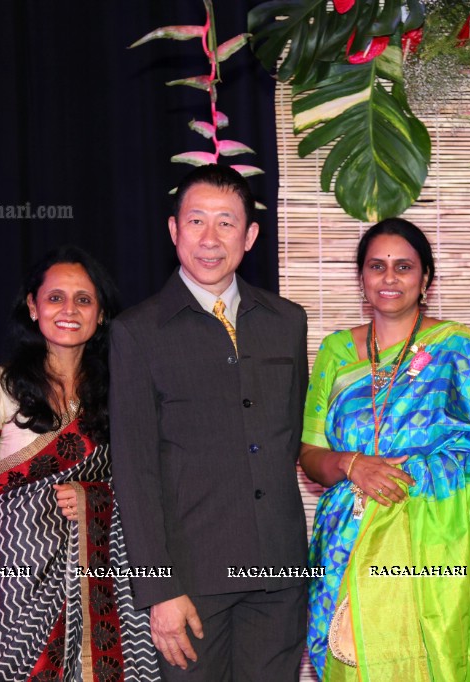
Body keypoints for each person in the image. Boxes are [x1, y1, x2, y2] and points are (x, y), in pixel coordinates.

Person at [300, 218, 470, 680]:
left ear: (425, 279)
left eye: (404, 267)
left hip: (430, 548)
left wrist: (411, 476)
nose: (389, 278)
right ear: (362, 278)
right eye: (377, 266)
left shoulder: (456, 348)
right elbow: (311, 454)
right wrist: (352, 465)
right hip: (344, 543)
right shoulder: (335, 352)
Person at [110, 165, 309, 680]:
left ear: (250, 236)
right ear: (174, 230)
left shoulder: (287, 321)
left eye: (226, 223)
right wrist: (158, 590)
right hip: (191, 581)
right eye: (196, 221)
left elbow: (285, 438)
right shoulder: (137, 332)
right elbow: (134, 474)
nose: (210, 238)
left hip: (280, 570)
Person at [0, 245, 159, 682]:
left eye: (84, 299)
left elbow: (149, 490)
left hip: (105, 592)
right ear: (32, 306)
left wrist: (98, 501)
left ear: (100, 314)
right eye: (55, 297)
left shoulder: (119, 397)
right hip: (8, 601)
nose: (69, 310)